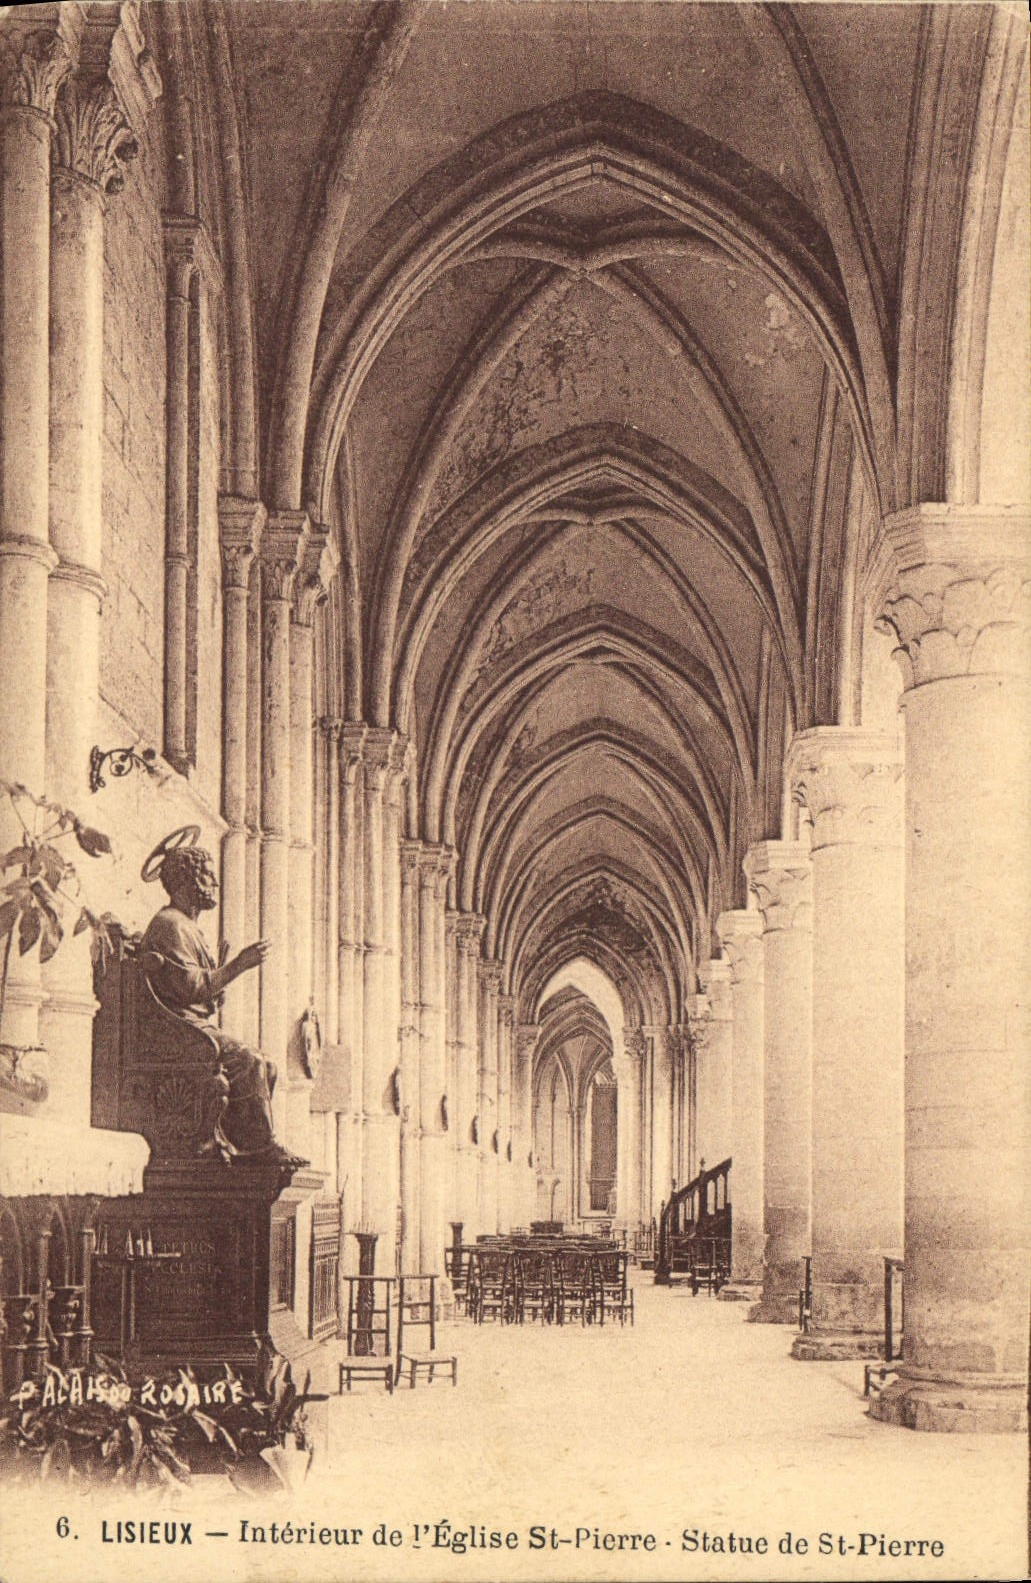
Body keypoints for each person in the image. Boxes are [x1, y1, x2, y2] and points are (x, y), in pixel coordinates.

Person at [138, 840, 301, 1165]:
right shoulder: (171, 925)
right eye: (209, 876)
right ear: (189, 879)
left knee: (266, 1065)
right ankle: (257, 1150)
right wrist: (239, 964)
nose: (215, 883)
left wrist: (218, 982)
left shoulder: (185, 926)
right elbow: (191, 987)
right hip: (179, 1029)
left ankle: (243, 1145)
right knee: (250, 1061)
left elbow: (199, 989)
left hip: (193, 1024)